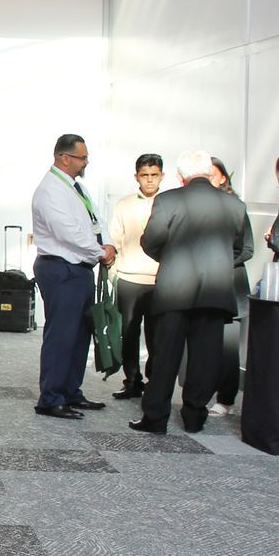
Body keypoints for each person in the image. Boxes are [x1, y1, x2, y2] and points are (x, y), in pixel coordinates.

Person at [131, 151, 251, 435]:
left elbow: (151, 241)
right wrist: (219, 263)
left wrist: (170, 258)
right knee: (206, 356)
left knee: (164, 355)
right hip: (216, 289)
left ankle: (155, 417)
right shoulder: (234, 204)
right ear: (210, 172)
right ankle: (195, 417)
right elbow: (243, 248)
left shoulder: (168, 200)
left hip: (174, 288)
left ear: (181, 176)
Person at [30, 133, 115, 419]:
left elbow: (95, 220)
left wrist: (108, 244)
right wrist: (100, 252)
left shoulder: (76, 187)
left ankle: (70, 392)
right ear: (63, 158)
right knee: (62, 335)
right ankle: (50, 398)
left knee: (80, 335)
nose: (85, 162)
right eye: (82, 158)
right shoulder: (50, 190)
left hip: (79, 268)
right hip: (60, 268)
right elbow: (68, 233)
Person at [108, 153, 164, 399]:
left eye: (154, 175)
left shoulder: (168, 202)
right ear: (136, 177)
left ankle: (153, 381)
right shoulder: (124, 204)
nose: (149, 180)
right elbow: (114, 240)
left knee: (156, 335)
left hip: (159, 280)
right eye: (144, 175)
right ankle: (132, 379)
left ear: (162, 175)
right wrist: (114, 275)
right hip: (129, 278)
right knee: (129, 333)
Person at [207, 156, 257, 414]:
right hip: (206, 284)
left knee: (228, 344)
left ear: (223, 177)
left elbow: (247, 248)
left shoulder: (236, 207)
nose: (208, 179)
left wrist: (221, 262)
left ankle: (225, 398)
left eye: (212, 174)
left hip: (231, 284)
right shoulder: (201, 206)